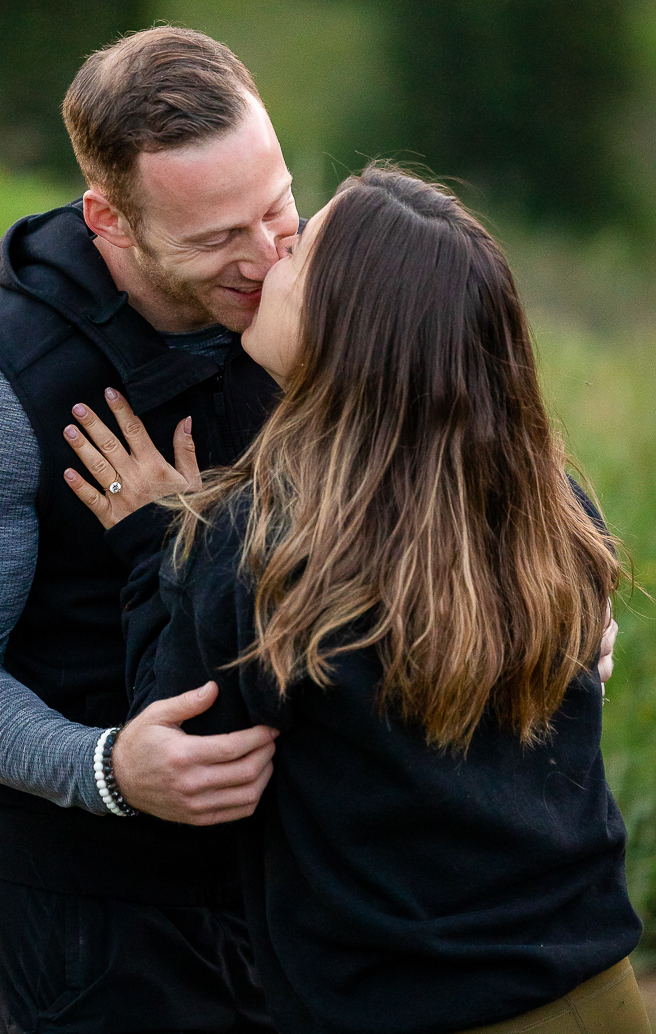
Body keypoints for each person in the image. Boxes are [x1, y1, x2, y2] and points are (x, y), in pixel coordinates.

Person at [61, 166, 646, 1034]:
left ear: (343, 329)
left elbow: (192, 763)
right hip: (601, 996)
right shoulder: (550, 503)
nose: (274, 253)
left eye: (302, 251)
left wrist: (156, 541)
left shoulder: (258, 543)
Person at [0, 26, 301, 1033]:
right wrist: (108, 768)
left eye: (278, 203)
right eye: (216, 238)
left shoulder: (313, 296)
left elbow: (459, 441)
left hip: (301, 884)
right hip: (84, 910)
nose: (265, 257)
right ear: (109, 220)